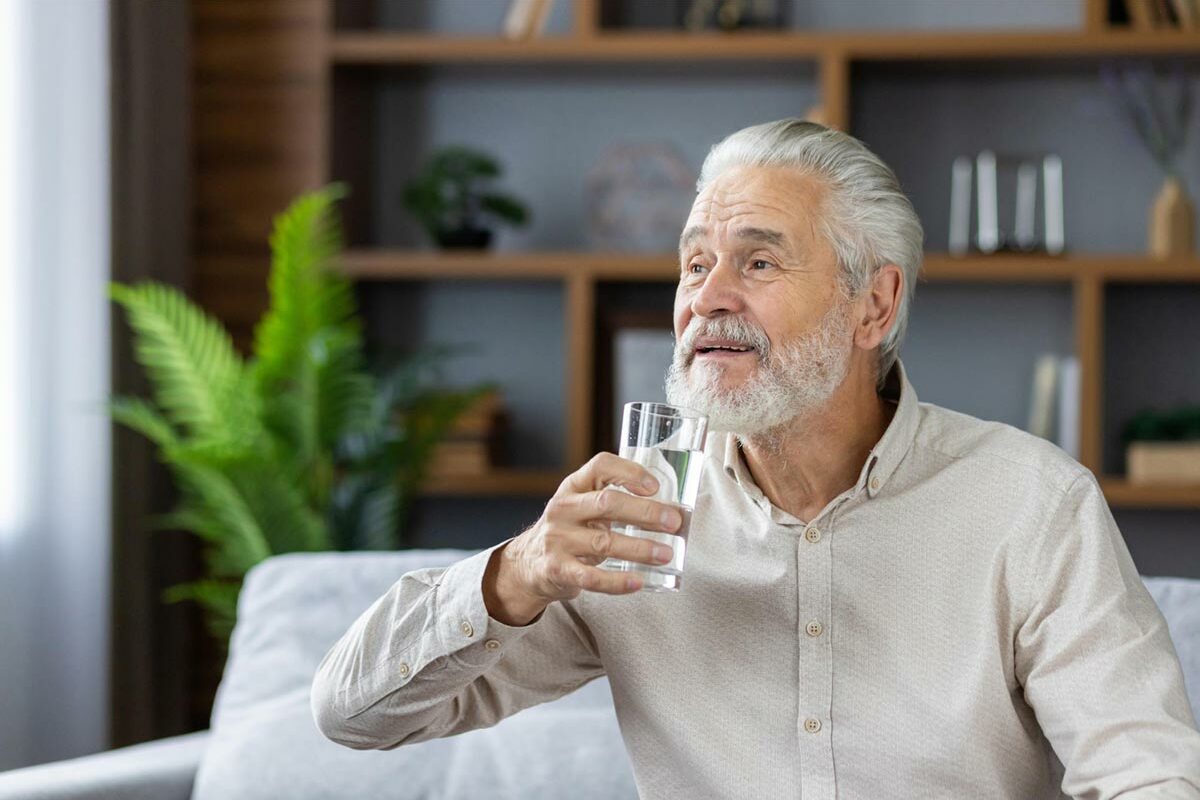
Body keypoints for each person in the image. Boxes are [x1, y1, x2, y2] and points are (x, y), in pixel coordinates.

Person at [311, 118, 1200, 798]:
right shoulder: (629, 520)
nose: (709, 298)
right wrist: (514, 574)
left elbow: (1149, 777)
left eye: (759, 261)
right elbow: (353, 716)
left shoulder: (1030, 506)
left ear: (873, 305)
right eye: (695, 265)